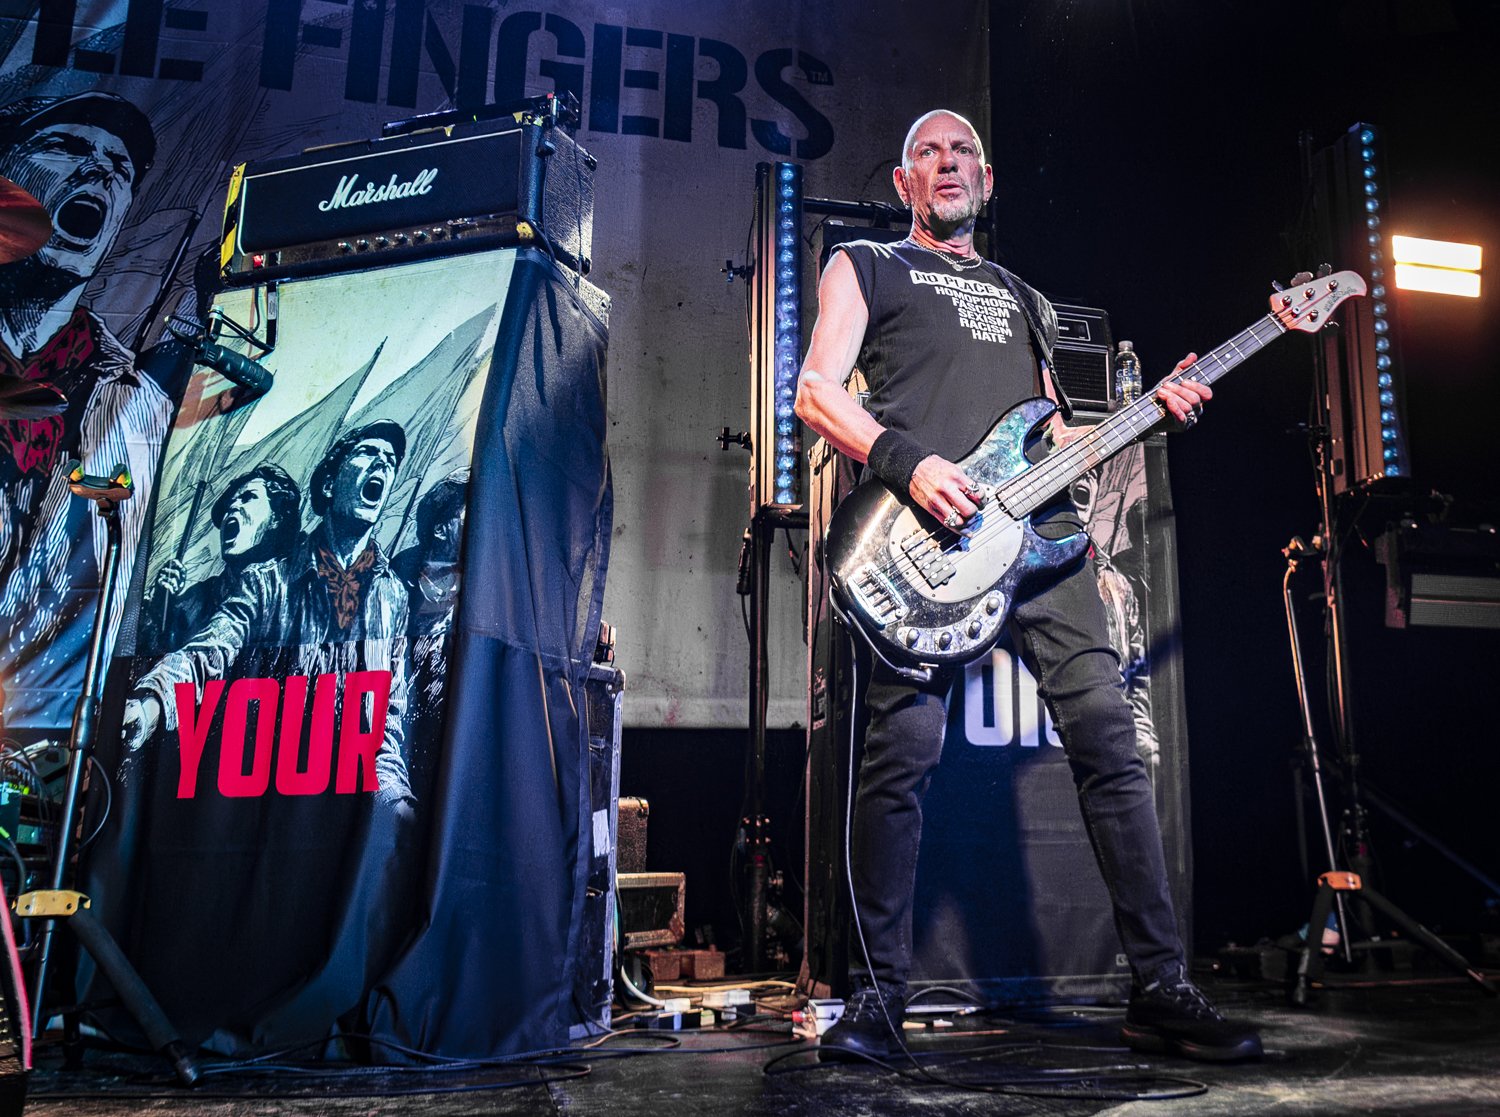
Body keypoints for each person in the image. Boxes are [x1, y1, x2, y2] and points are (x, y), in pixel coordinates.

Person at [794, 109, 1260, 1063]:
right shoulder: (869, 267)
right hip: (918, 544)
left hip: (1039, 545)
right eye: (929, 152)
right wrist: (909, 462)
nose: (947, 163)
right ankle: (878, 1001)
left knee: (1109, 742)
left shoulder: (1027, 300)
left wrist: (1151, 413)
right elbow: (816, 391)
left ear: (989, 180)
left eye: (963, 151)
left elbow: (1055, 448)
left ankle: (1163, 988)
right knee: (900, 755)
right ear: (903, 182)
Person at [122, 422, 414, 811]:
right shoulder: (267, 582)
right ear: (328, 485)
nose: (382, 462)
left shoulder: (393, 598)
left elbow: (387, 723)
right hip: (262, 806)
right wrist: (151, 700)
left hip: (340, 816)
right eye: (367, 453)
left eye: (390, 460)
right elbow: (207, 652)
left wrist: (396, 805)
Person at [0, 91, 170, 729]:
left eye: (119, 169)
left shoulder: (135, 402)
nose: (98, 171)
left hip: (39, 723)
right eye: (67, 147)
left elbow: (117, 544)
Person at [140, 463, 303, 654]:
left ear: (276, 518)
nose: (233, 506)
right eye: (229, 505)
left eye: (248, 498)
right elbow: (154, 654)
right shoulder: (199, 599)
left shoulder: (296, 592)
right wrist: (159, 608)